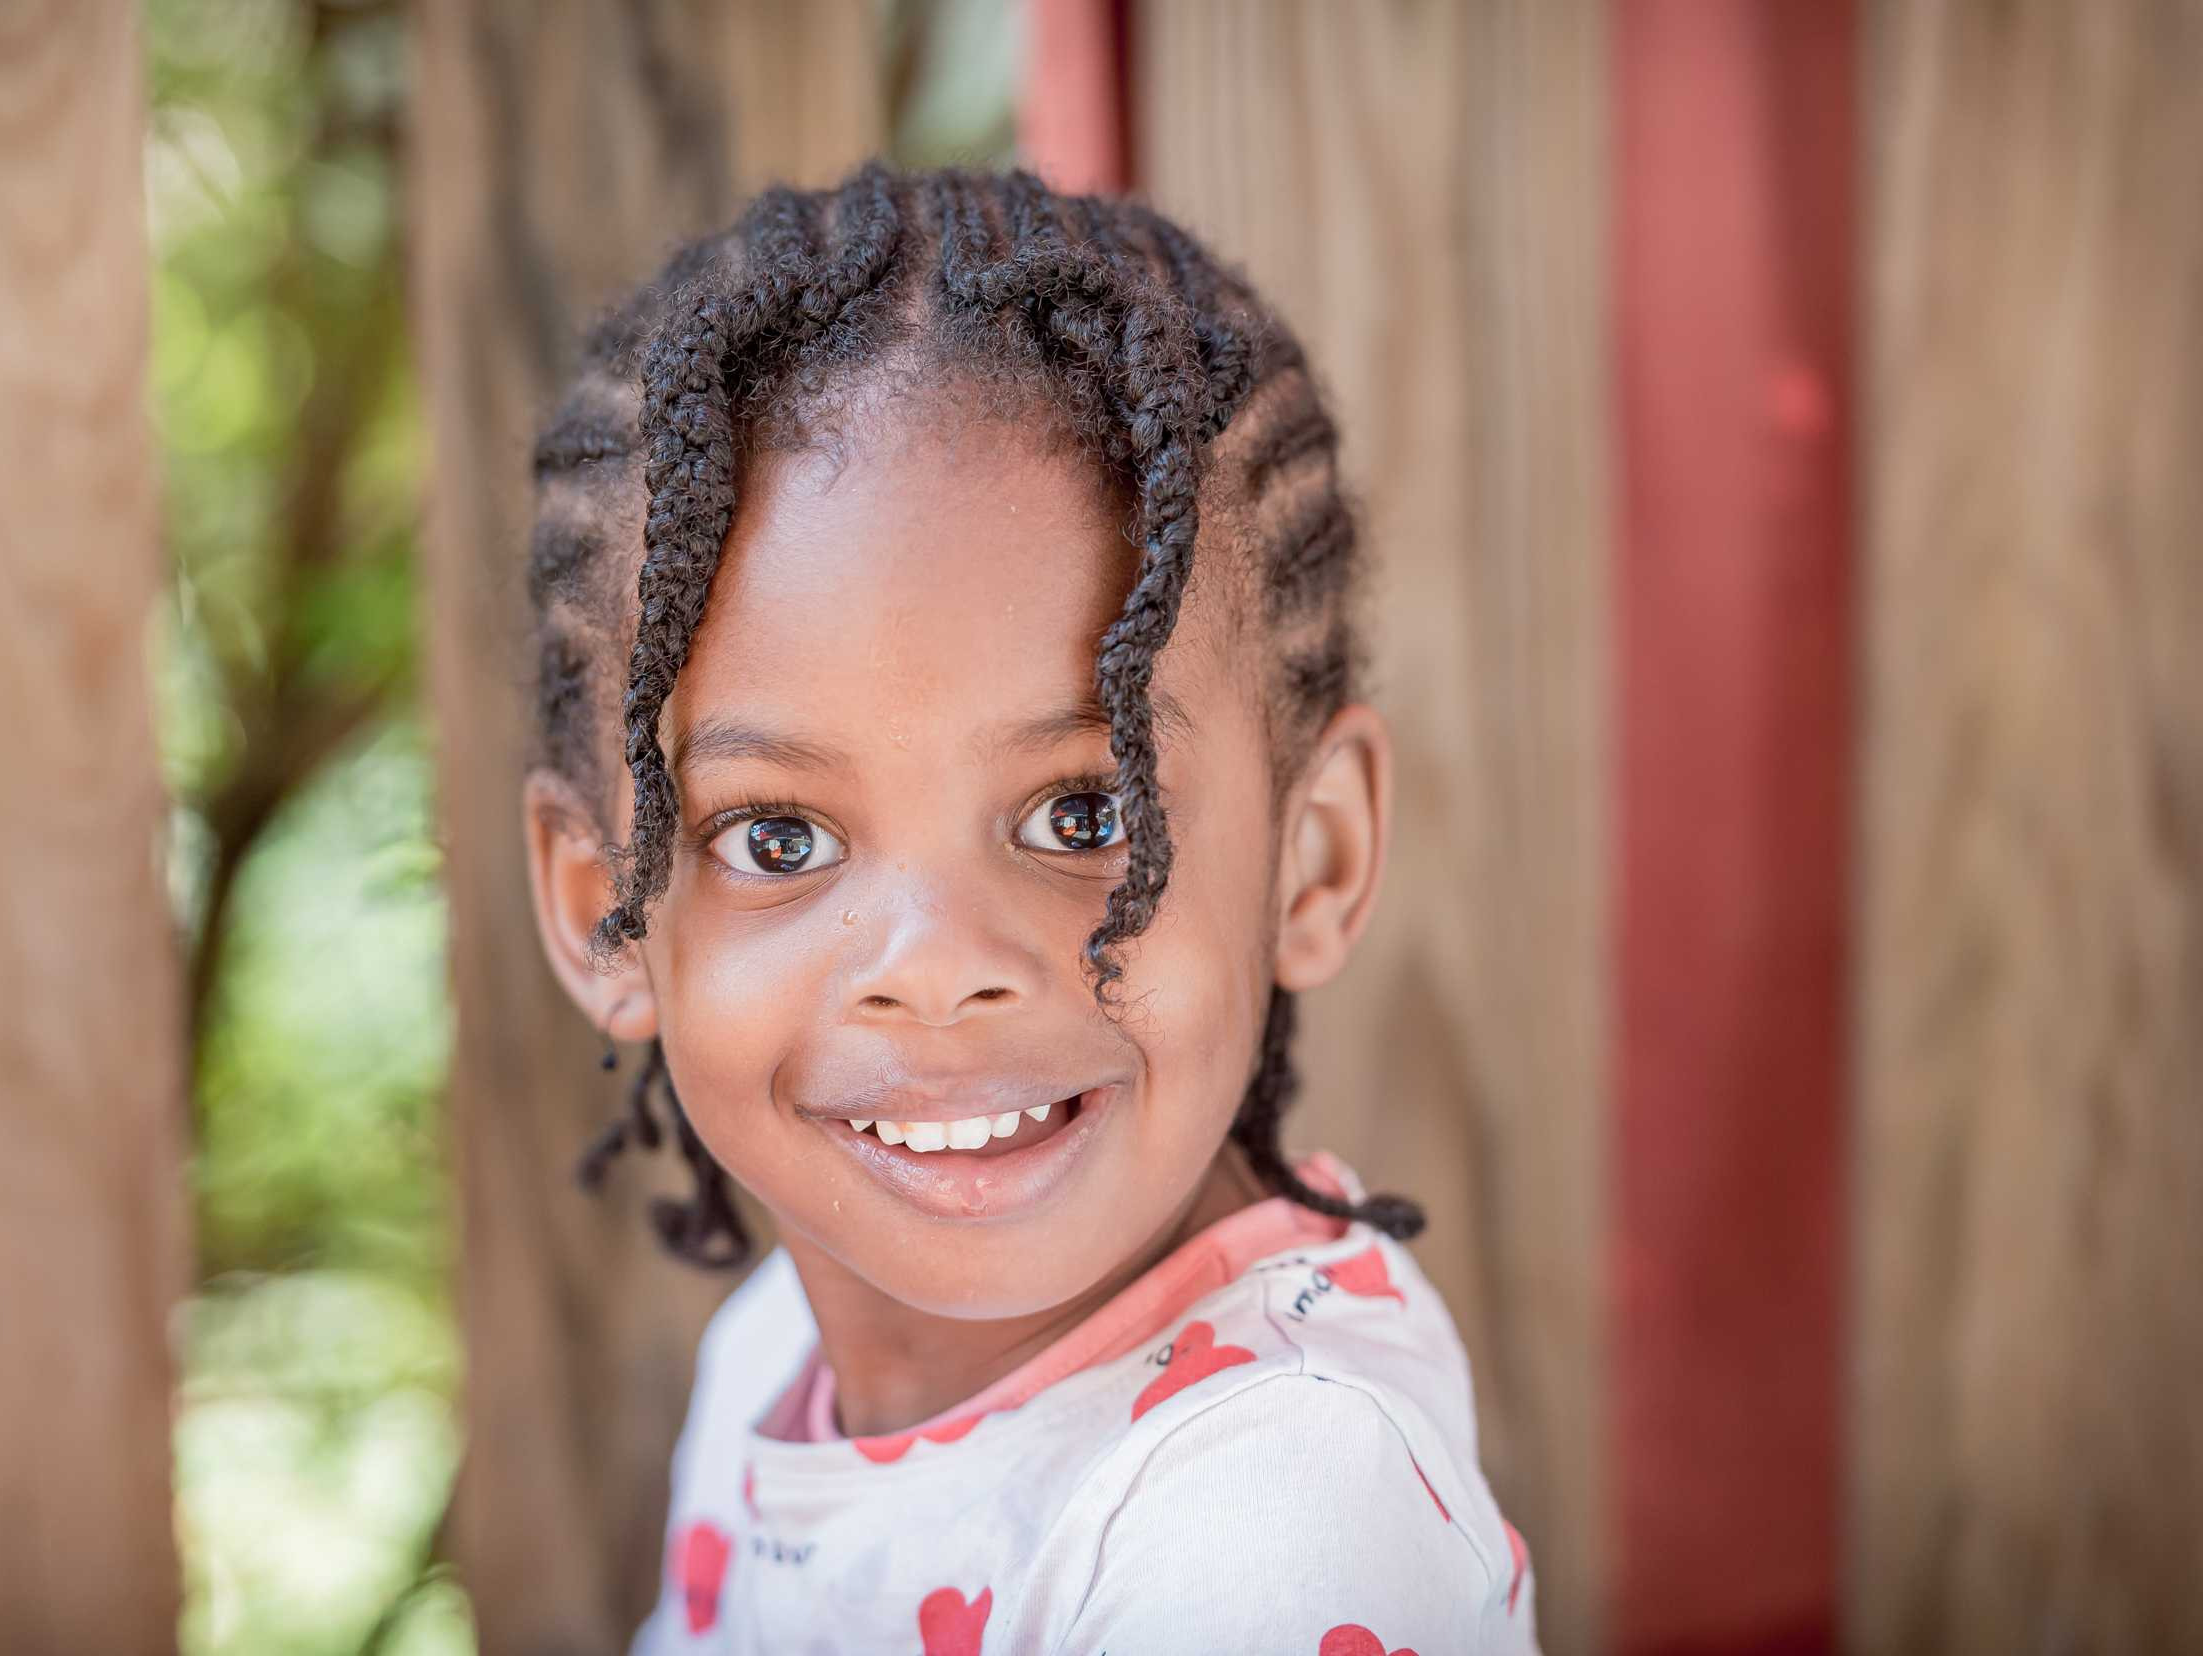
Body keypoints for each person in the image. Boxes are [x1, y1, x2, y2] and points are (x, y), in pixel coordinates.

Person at [519, 162, 1538, 1655]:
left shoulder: (1271, 1531)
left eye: (1085, 816)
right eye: (781, 838)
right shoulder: (771, 1357)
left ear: (1312, 858)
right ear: (605, 910)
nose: (936, 969)